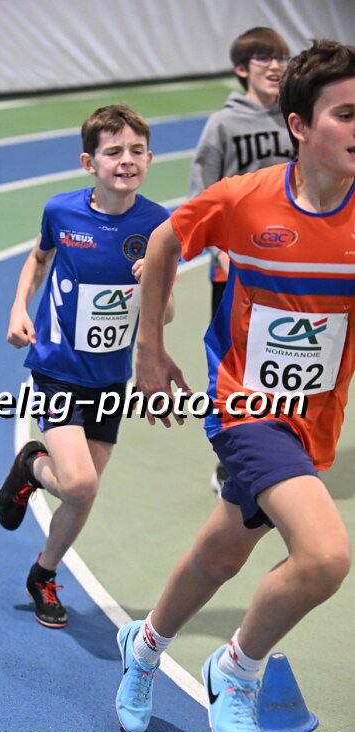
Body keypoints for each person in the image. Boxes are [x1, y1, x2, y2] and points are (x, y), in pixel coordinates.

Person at [115, 40, 355, 732]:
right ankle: (236, 669)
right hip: (243, 407)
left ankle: (144, 647)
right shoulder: (243, 200)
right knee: (324, 556)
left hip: (314, 419)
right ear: (299, 126)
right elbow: (163, 242)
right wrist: (149, 350)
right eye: (345, 114)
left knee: (219, 554)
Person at [0, 104, 174, 628]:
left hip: (110, 376)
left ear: (149, 158)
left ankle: (43, 574)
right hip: (57, 365)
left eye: (137, 150)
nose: (127, 160)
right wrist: (18, 307)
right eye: (113, 152)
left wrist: (151, 282)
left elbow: (165, 311)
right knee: (78, 484)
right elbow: (39, 257)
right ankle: (33, 464)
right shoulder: (62, 212)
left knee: (82, 493)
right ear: (89, 162)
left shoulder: (160, 224)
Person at [187, 26, 294, 495]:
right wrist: (218, 248)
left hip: (291, 268)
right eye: (264, 58)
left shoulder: (298, 119)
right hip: (234, 270)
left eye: (282, 57)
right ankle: (231, 463)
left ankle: (283, 456)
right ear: (241, 69)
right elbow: (200, 196)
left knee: (287, 360)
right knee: (235, 371)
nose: (275, 66)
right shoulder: (222, 125)